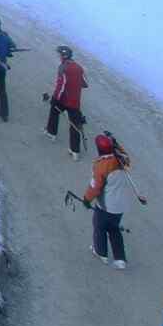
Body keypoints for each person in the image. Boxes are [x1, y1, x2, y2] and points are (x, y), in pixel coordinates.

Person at [80, 132, 145, 270]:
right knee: (114, 229)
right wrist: (116, 143)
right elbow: (124, 154)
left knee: (99, 226)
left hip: (106, 205)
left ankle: (100, 252)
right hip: (121, 205)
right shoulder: (121, 160)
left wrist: (87, 199)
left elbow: (95, 187)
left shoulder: (101, 166)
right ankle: (120, 259)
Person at [46, 44, 87, 157]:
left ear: (64, 56)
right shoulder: (79, 67)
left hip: (64, 99)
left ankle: (51, 132)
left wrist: (55, 98)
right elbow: (85, 83)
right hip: (75, 101)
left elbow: (61, 86)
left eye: (59, 54)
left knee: (54, 110)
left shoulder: (63, 67)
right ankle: (75, 151)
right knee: (75, 125)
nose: (59, 56)